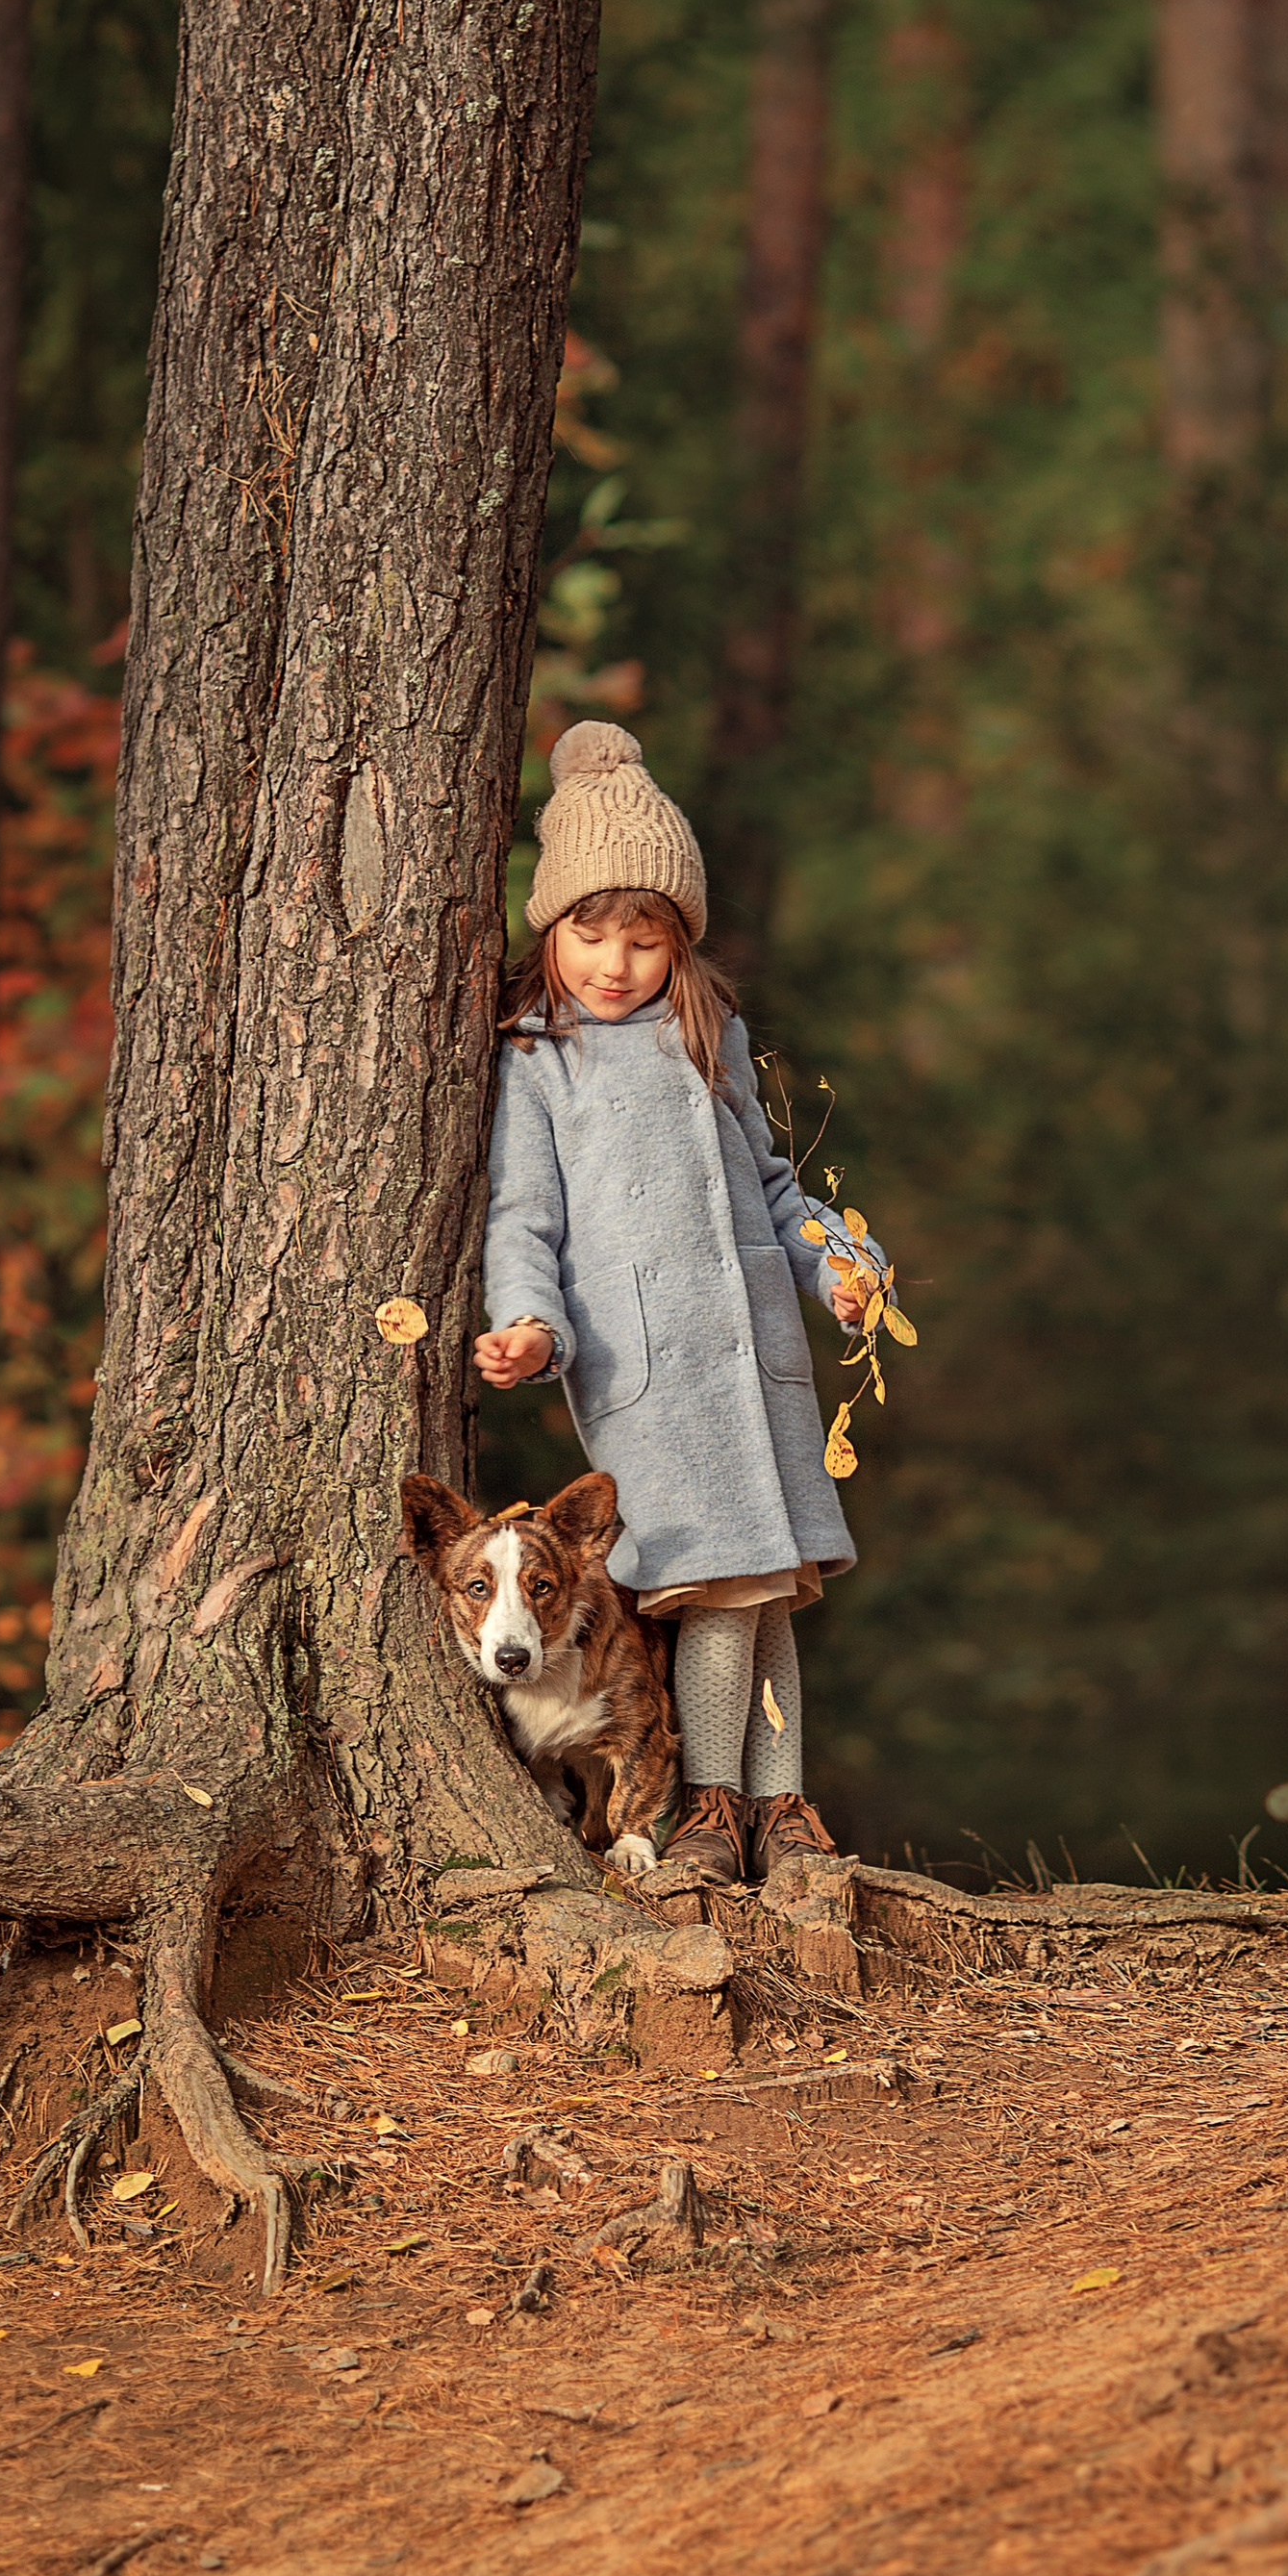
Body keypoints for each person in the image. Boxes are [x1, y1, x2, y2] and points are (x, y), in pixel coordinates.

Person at [475, 720, 877, 1884]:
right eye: (589, 934)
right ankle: (712, 1803)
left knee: (767, 1593)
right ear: (550, 930)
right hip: (649, 1379)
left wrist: (839, 1264)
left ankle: (783, 1808)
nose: (615, 962)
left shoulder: (710, 1033)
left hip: (756, 1364)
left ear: (679, 943)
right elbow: (524, 1218)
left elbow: (776, 1187)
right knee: (709, 1586)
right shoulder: (538, 1057)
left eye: (644, 939)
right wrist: (532, 1323)